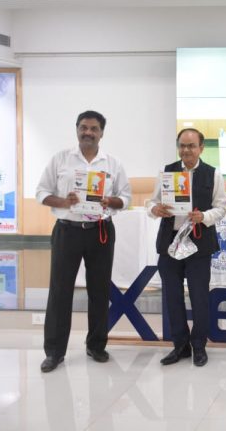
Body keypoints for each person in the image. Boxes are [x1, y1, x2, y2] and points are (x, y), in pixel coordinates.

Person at [35, 110, 132, 373]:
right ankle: (54, 352)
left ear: (102, 133)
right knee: (60, 291)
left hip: (100, 231)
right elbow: (41, 192)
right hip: (67, 230)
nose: (88, 132)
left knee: (99, 290)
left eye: (94, 128)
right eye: (83, 128)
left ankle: (96, 346)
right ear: (77, 129)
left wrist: (110, 201)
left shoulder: (112, 164)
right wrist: (63, 201)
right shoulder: (60, 159)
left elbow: (125, 198)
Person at [148, 128, 226, 367]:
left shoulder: (213, 174)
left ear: (201, 148)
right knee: (172, 297)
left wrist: (204, 216)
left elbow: (221, 207)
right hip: (170, 243)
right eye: (182, 145)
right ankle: (180, 346)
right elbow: (152, 202)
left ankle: (199, 346)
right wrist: (155, 209)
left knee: (199, 297)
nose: (186, 150)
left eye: (191, 146)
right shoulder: (167, 172)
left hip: (198, 243)